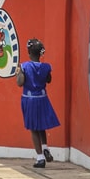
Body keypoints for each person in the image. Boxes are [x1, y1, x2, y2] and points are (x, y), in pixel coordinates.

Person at [16, 38, 60, 168]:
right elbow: (49, 80)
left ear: (29, 52)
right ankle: (45, 147)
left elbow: (20, 82)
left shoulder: (24, 66)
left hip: (30, 99)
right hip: (43, 98)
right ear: (40, 54)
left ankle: (40, 157)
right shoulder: (46, 67)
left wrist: (18, 72)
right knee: (41, 126)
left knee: (33, 129)